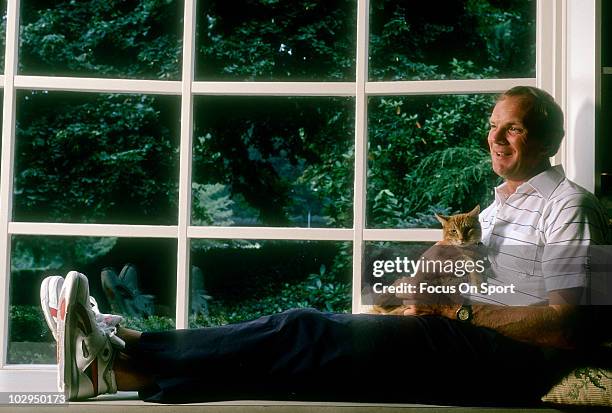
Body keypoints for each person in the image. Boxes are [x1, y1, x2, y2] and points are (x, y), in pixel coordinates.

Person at [42, 86, 610, 404]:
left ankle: (134, 342)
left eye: (512, 127)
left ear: (550, 139)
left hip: (510, 364)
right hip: (462, 338)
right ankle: (118, 374)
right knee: (304, 362)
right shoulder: (496, 208)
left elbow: (567, 327)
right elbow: (428, 288)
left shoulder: (572, 206)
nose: (496, 137)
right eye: (492, 125)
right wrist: (434, 268)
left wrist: (457, 308)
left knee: (302, 329)